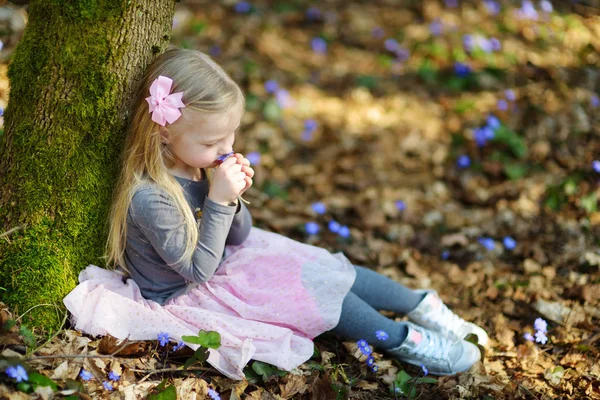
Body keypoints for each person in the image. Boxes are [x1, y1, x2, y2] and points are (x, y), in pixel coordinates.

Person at [63, 48, 488, 380]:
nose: (226, 147)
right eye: (214, 141)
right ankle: (404, 342)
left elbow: (240, 235)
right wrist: (219, 200)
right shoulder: (150, 197)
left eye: (231, 134)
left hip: (228, 259)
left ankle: (421, 305)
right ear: (164, 131)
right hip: (191, 292)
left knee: (326, 268)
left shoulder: (196, 162)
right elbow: (198, 271)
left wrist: (232, 196)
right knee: (316, 295)